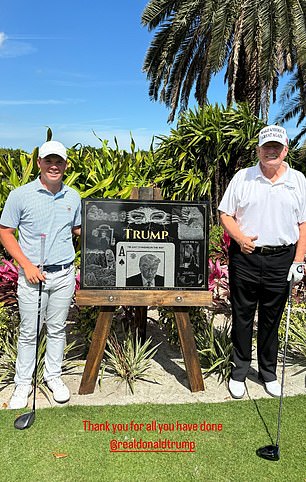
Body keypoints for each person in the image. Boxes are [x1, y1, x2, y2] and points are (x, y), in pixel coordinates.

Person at [218, 125, 306, 399]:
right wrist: (240, 238)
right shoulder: (242, 178)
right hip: (245, 257)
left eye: (277, 147)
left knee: (271, 318)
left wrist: (299, 261)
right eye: (267, 147)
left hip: (282, 259)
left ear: (285, 150)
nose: (272, 151)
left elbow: (303, 223)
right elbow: (225, 214)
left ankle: (268, 372)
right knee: (242, 316)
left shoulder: (299, 180)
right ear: (258, 150)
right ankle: (239, 372)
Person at [0, 140, 81, 409]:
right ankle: (23, 383)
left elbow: (78, 229)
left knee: (57, 329)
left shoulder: (73, 196)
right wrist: (26, 265)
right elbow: (5, 232)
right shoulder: (20, 195)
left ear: (66, 165)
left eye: (59, 161)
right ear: (39, 163)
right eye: (49, 161)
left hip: (64, 274)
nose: (54, 166)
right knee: (29, 331)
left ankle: (53, 377)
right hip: (33, 275)